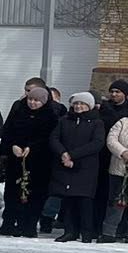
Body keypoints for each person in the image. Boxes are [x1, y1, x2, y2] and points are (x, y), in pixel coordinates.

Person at [0, 82, 62, 238]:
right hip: (16, 160)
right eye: (30, 100)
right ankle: (9, 223)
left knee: (35, 195)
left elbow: (49, 138)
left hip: (39, 162)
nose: (32, 103)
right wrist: (11, 147)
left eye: (36, 101)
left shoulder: (50, 117)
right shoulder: (19, 112)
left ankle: (29, 225)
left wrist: (31, 148)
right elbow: (8, 132)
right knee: (12, 193)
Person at [49, 92, 107, 243]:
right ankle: (70, 231)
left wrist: (72, 155)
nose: (78, 106)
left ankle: (87, 232)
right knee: (68, 200)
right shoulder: (64, 120)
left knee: (84, 201)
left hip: (85, 167)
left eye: (82, 104)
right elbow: (54, 138)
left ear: (89, 105)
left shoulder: (97, 123)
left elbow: (97, 143)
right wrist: (63, 153)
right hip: (65, 165)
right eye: (76, 103)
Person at [104, 97, 128, 243]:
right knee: (115, 203)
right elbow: (111, 140)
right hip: (119, 170)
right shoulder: (123, 122)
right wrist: (123, 152)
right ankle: (109, 232)